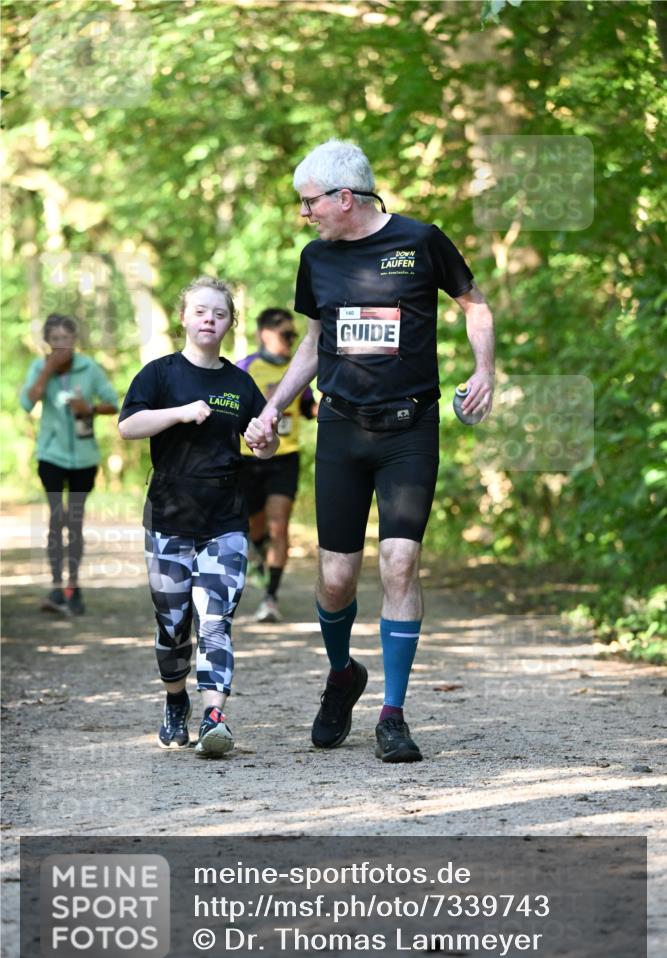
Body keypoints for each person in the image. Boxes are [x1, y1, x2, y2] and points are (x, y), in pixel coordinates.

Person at [245, 139, 495, 764]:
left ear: (344, 198)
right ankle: (342, 676)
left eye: (309, 203)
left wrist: (484, 370)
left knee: (399, 564)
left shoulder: (421, 241)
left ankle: (393, 715)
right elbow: (313, 343)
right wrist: (272, 408)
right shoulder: (315, 259)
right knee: (335, 579)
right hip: (341, 428)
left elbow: (474, 304)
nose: (304, 213)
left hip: (410, 429)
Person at [118, 276, 278, 757]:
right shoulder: (160, 374)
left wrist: (264, 440)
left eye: (220, 313)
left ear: (230, 323)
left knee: (215, 620)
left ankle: (214, 718)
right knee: (172, 625)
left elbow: (264, 445)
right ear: (184, 318)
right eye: (201, 311)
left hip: (225, 518)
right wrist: (180, 412)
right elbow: (129, 426)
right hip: (169, 516)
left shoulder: (240, 383)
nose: (210, 319)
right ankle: (175, 700)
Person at [20, 313, 119, 615]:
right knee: (56, 518)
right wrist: (47, 370)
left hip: (85, 458)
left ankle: (72, 588)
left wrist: (89, 408)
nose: (61, 344)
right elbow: (27, 402)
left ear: (75, 340)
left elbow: (114, 403)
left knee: (74, 521)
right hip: (50, 456)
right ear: (47, 342)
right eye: (55, 339)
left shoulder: (89, 368)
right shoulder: (39, 367)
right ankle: (55, 587)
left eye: (66, 338)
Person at [237, 308, 317, 623]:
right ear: (265, 334)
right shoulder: (245, 368)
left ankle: (270, 597)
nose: (293, 339)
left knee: (278, 525)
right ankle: (258, 554)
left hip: (286, 457)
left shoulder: (299, 368)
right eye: (287, 334)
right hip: (248, 459)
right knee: (254, 527)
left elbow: (309, 407)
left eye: (295, 334)